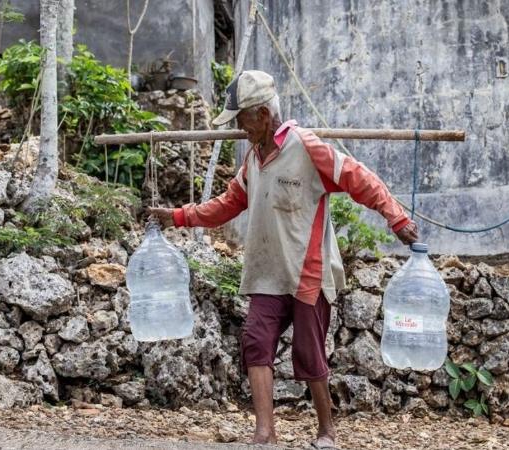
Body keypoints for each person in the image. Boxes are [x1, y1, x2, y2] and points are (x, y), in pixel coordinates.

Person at [148, 70, 419, 449]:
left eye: (242, 119)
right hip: (267, 274)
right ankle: (265, 433)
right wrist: (178, 216)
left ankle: (326, 431)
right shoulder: (252, 161)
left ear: (261, 114)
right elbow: (226, 205)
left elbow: (360, 179)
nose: (240, 128)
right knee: (255, 343)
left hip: (307, 273)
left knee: (309, 354)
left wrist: (397, 217)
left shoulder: (307, 147)